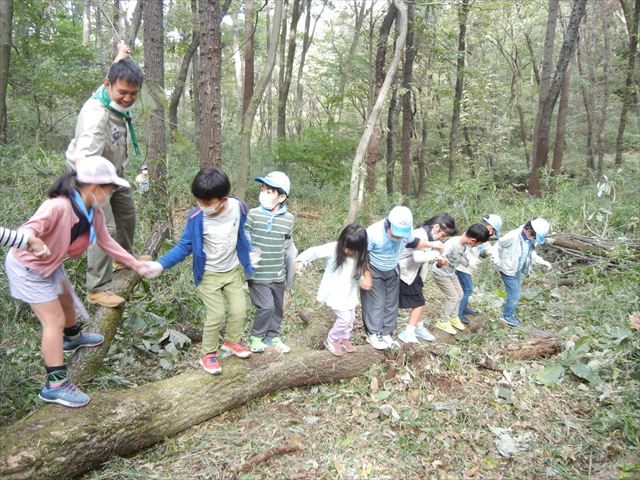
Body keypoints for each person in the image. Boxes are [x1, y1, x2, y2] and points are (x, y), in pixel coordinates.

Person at [4, 156, 151, 408]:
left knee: (66, 301)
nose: (110, 194)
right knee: (54, 320)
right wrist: (33, 241)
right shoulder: (58, 207)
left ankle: (73, 337)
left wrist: (135, 263)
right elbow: (28, 229)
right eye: (110, 189)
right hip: (27, 268)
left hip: (51, 264)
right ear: (95, 188)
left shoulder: (92, 213)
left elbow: (106, 242)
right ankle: (55, 384)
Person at [143, 168, 256, 375]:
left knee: (240, 310)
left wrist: (249, 255)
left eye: (208, 203)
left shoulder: (239, 207)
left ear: (223, 199)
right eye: (199, 201)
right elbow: (184, 246)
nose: (203, 206)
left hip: (232, 271)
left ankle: (232, 342)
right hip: (208, 275)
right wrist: (160, 264)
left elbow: (241, 233)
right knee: (216, 315)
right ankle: (208, 354)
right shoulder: (197, 217)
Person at [65, 41, 146, 308]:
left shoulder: (107, 89)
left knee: (127, 213)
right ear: (108, 85)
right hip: (91, 175)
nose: (127, 98)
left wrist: (121, 55)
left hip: (114, 170)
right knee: (104, 226)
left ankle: (122, 257)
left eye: (134, 94)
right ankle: (98, 287)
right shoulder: (96, 116)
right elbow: (84, 159)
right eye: (123, 92)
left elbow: (116, 71)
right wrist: (90, 196)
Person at [360, 206, 435, 350]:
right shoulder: (373, 232)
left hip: (393, 268)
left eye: (401, 235)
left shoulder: (407, 231)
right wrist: (366, 275)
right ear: (388, 223)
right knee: (376, 303)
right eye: (395, 234)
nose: (398, 238)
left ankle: (386, 333)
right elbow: (362, 255)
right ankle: (373, 334)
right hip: (374, 268)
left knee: (391, 303)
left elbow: (413, 242)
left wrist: (431, 244)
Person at [295, 224, 369, 356]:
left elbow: (359, 274)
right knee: (344, 319)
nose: (346, 250)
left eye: (351, 248)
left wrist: (363, 280)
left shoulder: (360, 256)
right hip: (335, 294)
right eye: (345, 246)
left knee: (351, 318)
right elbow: (314, 251)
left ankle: (343, 339)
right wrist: (301, 261)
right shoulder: (334, 248)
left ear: (360, 247)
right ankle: (332, 339)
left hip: (348, 294)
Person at [245, 171, 296, 354]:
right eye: (262, 190)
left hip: (277, 273)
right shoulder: (253, 214)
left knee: (277, 308)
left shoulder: (288, 219)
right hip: (258, 273)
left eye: (269, 191)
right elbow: (245, 235)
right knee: (266, 306)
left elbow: (288, 244)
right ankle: (256, 337)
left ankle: (273, 336)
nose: (263, 194)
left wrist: (293, 264)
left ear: (281, 197)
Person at [397, 214, 455, 344]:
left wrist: (439, 261)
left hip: (414, 273)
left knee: (419, 302)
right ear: (435, 227)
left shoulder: (428, 236)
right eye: (443, 234)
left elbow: (429, 257)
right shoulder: (419, 234)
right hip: (404, 272)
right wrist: (436, 253)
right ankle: (408, 332)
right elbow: (418, 257)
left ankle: (418, 327)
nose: (442, 237)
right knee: (418, 303)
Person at [431, 224, 491, 335]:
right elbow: (438, 255)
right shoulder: (452, 244)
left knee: (460, 293)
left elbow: (460, 256)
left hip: (450, 273)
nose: (477, 245)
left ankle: (453, 316)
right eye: (478, 243)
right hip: (441, 273)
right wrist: (441, 261)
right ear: (473, 240)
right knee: (453, 297)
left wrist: (470, 262)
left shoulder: (464, 245)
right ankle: (443, 321)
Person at [493, 217, 552, 327]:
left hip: (517, 269)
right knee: (514, 295)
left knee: (516, 293)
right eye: (533, 236)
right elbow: (498, 245)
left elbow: (531, 253)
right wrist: (496, 259)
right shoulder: (513, 236)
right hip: (508, 269)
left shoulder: (530, 239)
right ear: (528, 230)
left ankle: (509, 314)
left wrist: (542, 261)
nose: (534, 238)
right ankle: (506, 317)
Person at [455, 214, 502, 324]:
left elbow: (487, 247)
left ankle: (464, 308)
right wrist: (471, 259)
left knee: (465, 288)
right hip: (462, 267)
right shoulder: (473, 232)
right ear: (491, 227)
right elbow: (464, 249)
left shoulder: (483, 236)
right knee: (468, 289)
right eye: (494, 231)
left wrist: (494, 256)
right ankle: (458, 313)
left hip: (468, 269)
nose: (493, 234)